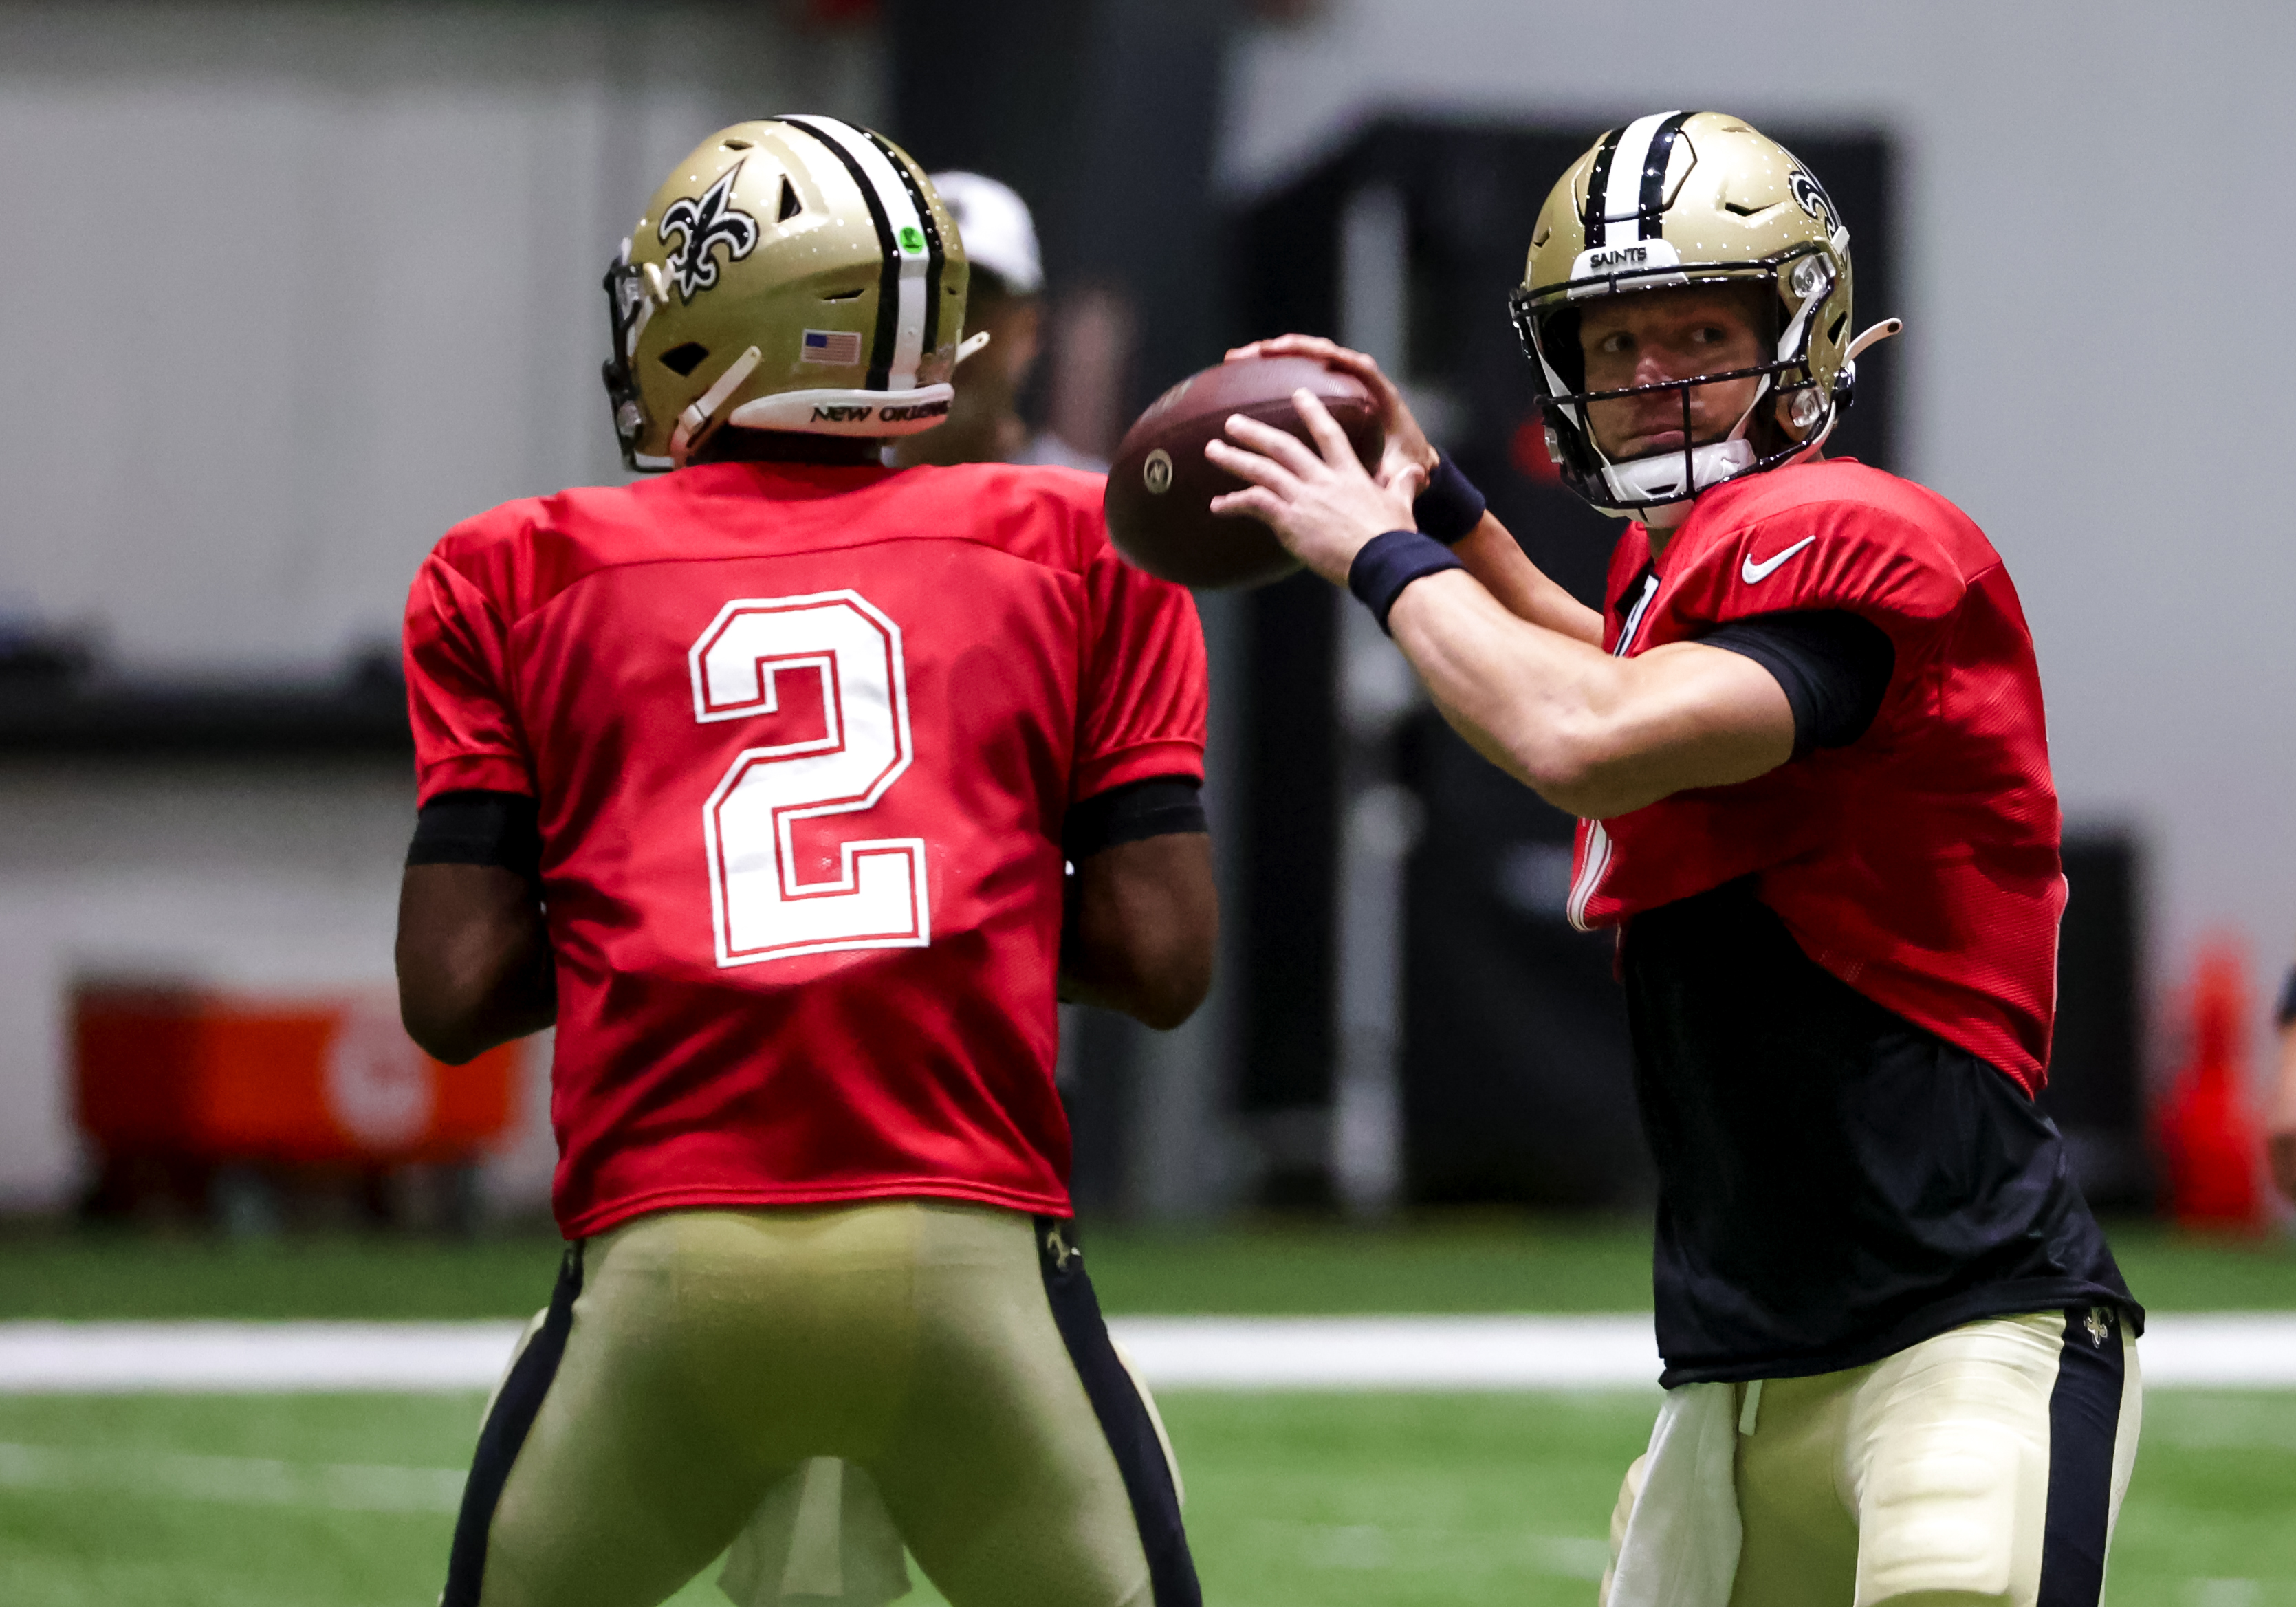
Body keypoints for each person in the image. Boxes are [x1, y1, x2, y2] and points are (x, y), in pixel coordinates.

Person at [1207, 111, 2141, 1607]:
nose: (1652, 381)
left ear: (1803, 330)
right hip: (1732, 1365)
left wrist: (1373, 554)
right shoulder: (1684, 565)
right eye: (1614, 344)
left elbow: (1585, 728)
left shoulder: (1852, 535)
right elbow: (1608, 657)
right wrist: (1438, 500)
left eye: (1699, 330)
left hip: (1959, 1334)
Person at [395, 116, 1214, 1607]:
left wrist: (666, 911)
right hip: (968, 1252)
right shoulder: (1079, 544)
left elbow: (451, 992)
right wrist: (955, 912)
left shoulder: (515, 568)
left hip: (661, 1256)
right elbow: (1164, 960)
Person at [890, 170, 1104, 472]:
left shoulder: (1091, 510)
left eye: (972, 304)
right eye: (924, 304)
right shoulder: (832, 501)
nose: (946, 337)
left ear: (1029, 329)